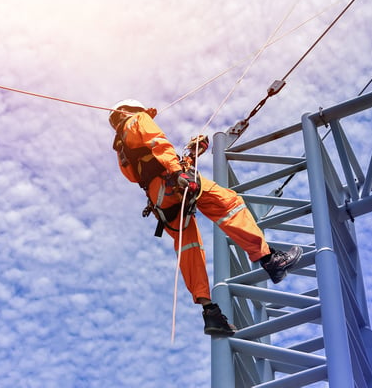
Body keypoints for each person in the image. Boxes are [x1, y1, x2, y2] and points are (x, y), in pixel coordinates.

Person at [109, 99, 302, 336]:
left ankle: (209, 311)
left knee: (189, 247)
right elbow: (159, 144)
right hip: (172, 185)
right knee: (228, 204)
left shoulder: (122, 151)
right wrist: (180, 172)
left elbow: (150, 168)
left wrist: (190, 155)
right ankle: (269, 259)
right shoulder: (138, 120)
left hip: (161, 201)